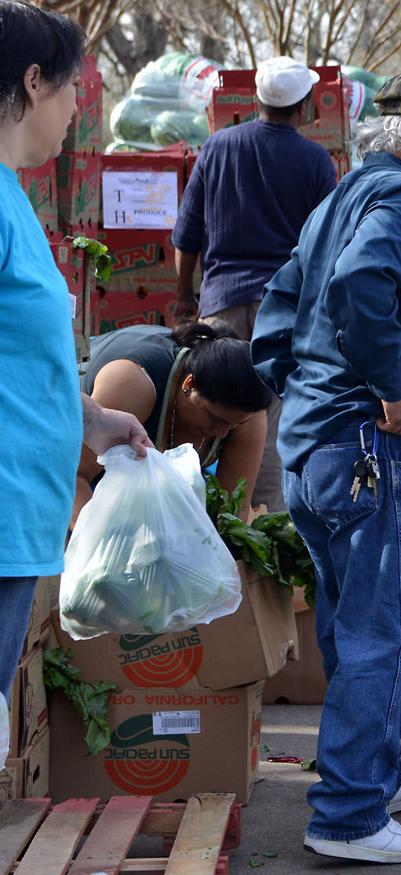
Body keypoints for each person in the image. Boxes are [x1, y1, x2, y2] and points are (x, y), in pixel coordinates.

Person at [251, 71, 401, 864]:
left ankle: (369, 775)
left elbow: (280, 301)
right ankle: (351, 812)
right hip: (366, 446)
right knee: (383, 632)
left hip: (322, 442)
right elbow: (359, 285)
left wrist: (299, 384)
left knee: (350, 622)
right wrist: (392, 393)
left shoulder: (347, 195)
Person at [0, 0, 152, 693]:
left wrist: (92, 419)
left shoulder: (13, 198)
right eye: (73, 91)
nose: (75, 112)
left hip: (20, 518)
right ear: (33, 83)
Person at [173, 55, 337, 512]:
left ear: (255, 100)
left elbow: (187, 236)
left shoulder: (218, 147)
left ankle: (185, 506)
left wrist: (184, 293)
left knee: (201, 404)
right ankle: (256, 518)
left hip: (221, 304)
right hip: (282, 311)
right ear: (303, 106)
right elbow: (327, 247)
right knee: (264, 418)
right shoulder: (314, 160)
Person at [76, 321, 273, 522]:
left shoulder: (248, 416)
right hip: (75, 460)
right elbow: (71, 477)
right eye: (215, 418)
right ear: (189, 384)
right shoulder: (133, 384)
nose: (223, 433)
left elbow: (230, 516)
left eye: (233, 425)